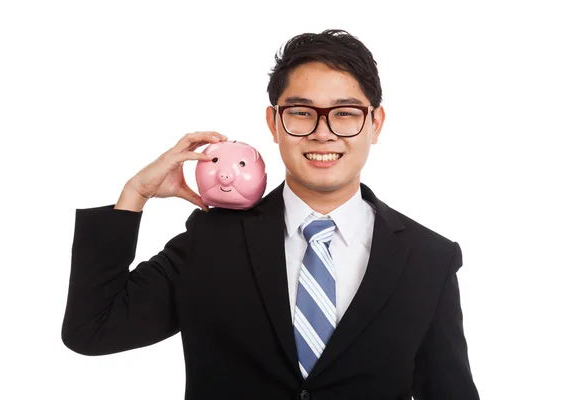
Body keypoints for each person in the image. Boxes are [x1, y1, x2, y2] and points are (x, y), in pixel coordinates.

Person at [62, 29, 480, 399]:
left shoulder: (430, 259)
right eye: (301, 112)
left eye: (345, 113)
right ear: (274, 123)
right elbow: (92, 329)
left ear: (375, 123)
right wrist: (134, 195)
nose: (323, 131)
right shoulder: (211, 240)